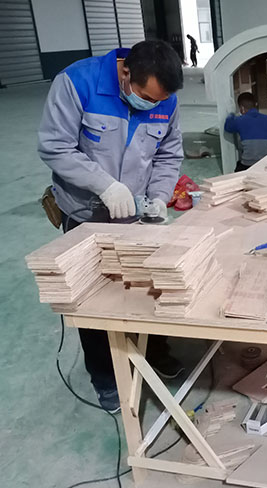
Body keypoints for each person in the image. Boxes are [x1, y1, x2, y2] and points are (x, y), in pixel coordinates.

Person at [37, 40, 186, 413]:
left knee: (148, 287)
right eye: (146, 97)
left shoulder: (165, 100)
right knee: (92, 301)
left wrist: (159, 197)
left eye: (159, 101)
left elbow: (169, 154)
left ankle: (156, 351)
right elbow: (55, 147)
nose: (152, 105)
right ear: (125, 73)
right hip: (84, 212)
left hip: (136, 213)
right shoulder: (77, 83)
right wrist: (104, 185)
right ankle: (105, 378)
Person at [224, 92, 267, 172]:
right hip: (266, 163)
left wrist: (231, 114)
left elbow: (228, 127)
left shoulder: (239, 120)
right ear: (256, 104)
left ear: (242, 108)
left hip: (247, 164)